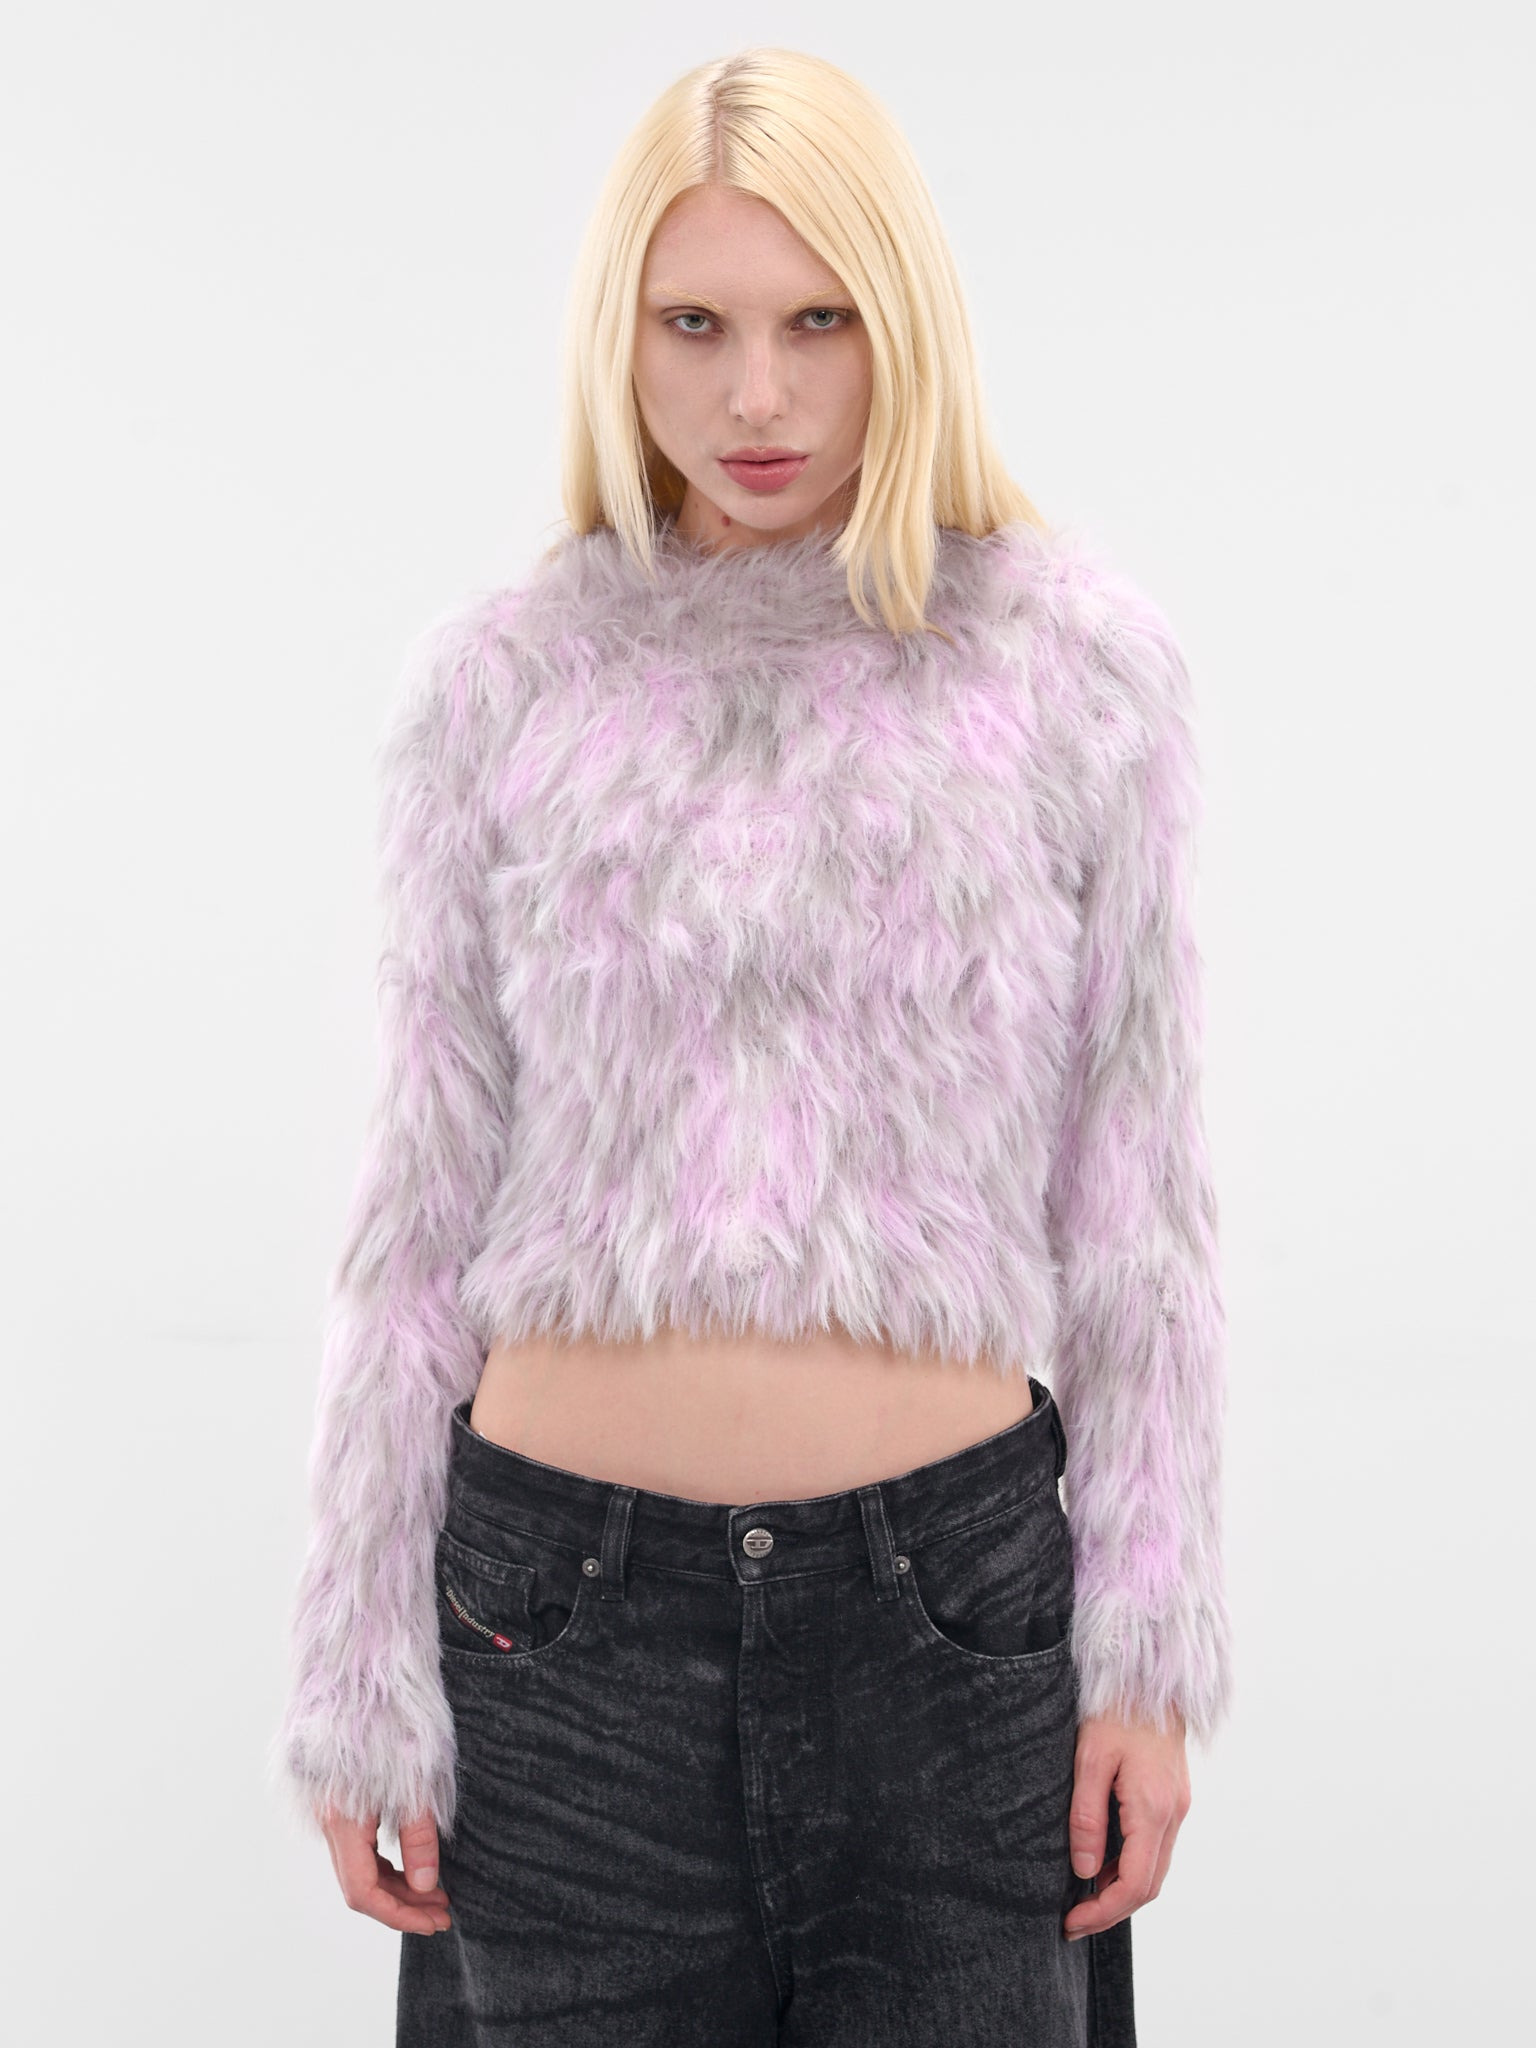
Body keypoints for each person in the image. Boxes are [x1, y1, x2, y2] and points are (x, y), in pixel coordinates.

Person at [271, 43, 1233, 2047]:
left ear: (906, 323)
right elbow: (420, 1198)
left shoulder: (1075, 675)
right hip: (555, 1648)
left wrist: (1149, 1651)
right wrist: (357, 1655)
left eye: (820, 322)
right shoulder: (504, 687)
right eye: (693, 325)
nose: (759, 399)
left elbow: (1138, 1202)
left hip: (951, 1635)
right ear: (617, 336)